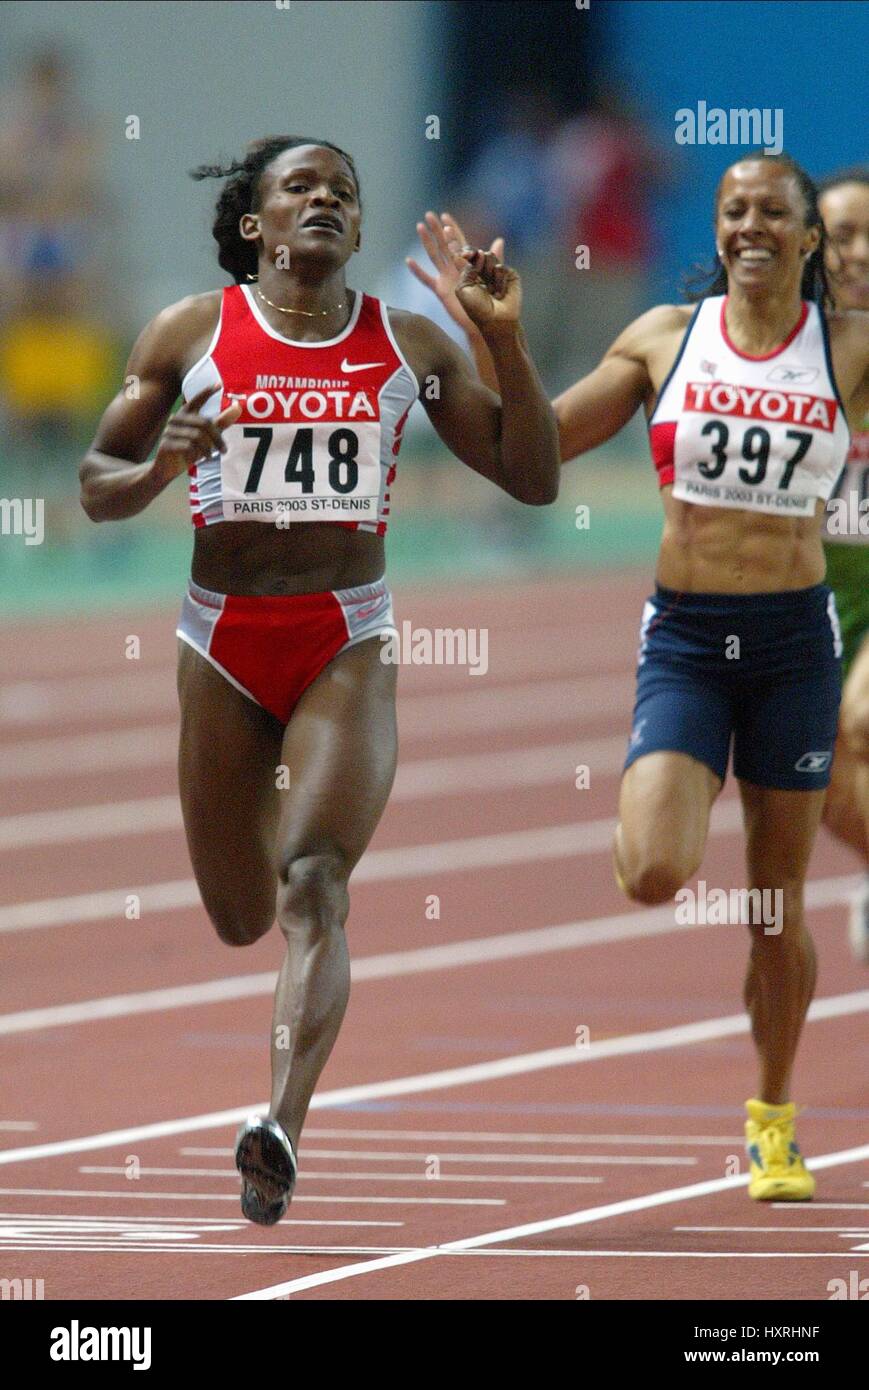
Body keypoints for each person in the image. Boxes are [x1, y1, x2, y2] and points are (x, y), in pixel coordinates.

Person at [78, 136, 559, 1224]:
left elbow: (532, 481)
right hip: (220, 640)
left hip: (345, 633)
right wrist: (158, 466)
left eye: (345, 188)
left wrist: (505, 340)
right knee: (239, 913)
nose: (328, 200)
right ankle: (277, 1073)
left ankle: (278, 1126)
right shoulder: (189, 332)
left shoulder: (410, 342)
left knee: (313, 885)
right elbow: (95, 485)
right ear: (256, 222)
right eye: (304, 186)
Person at [409, 152, 868, 1201]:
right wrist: (498, 340)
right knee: (654, 869)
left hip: (794, 643)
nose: (749, 226)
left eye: (771, 214)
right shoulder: (662, 339)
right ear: (714, 232)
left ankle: (771, 1114)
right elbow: (533, 454)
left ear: (805, 242)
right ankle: (666, 783)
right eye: (730, 210)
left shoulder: (844, 346)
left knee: (771, 903)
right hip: (690, 642)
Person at [816, 167, 869, 961]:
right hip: (812, 602)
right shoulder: (781, 354)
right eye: (839, 235)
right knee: (816, 776)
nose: (856, 252)